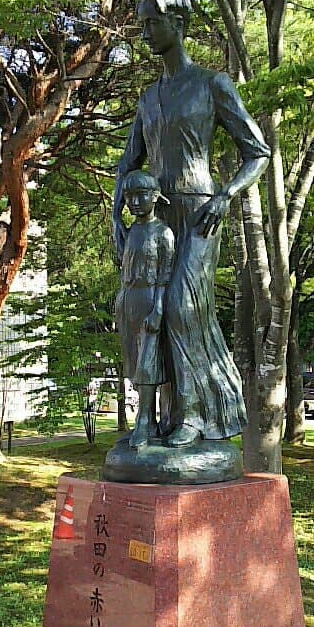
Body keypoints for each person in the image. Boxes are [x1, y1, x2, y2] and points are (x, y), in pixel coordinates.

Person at [113, 0, 270, 447]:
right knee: (153, 315)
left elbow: (257, 152)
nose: (145, 33)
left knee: (183, 308)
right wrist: (118, 216)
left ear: (178, 23)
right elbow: (128, 162)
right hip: (154, 218)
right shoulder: (148, 98)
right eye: (141, 25)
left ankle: (200, 415)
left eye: (152, 23)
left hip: (201, 213)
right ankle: (162, 418)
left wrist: (226, 195)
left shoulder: (211, 84)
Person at [115, 170, 175, 449]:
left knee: (148, 363)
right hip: (128, 299)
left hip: (151, 297)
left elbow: (165, 275)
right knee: (134, 361)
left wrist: (159, 308)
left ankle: (145, 421)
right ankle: (146, 421)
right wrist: (116, 218)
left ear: (155, 196)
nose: (135, 202)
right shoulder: (131, 231)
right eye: (129, 197)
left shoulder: (163, 232)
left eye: (141, 195)